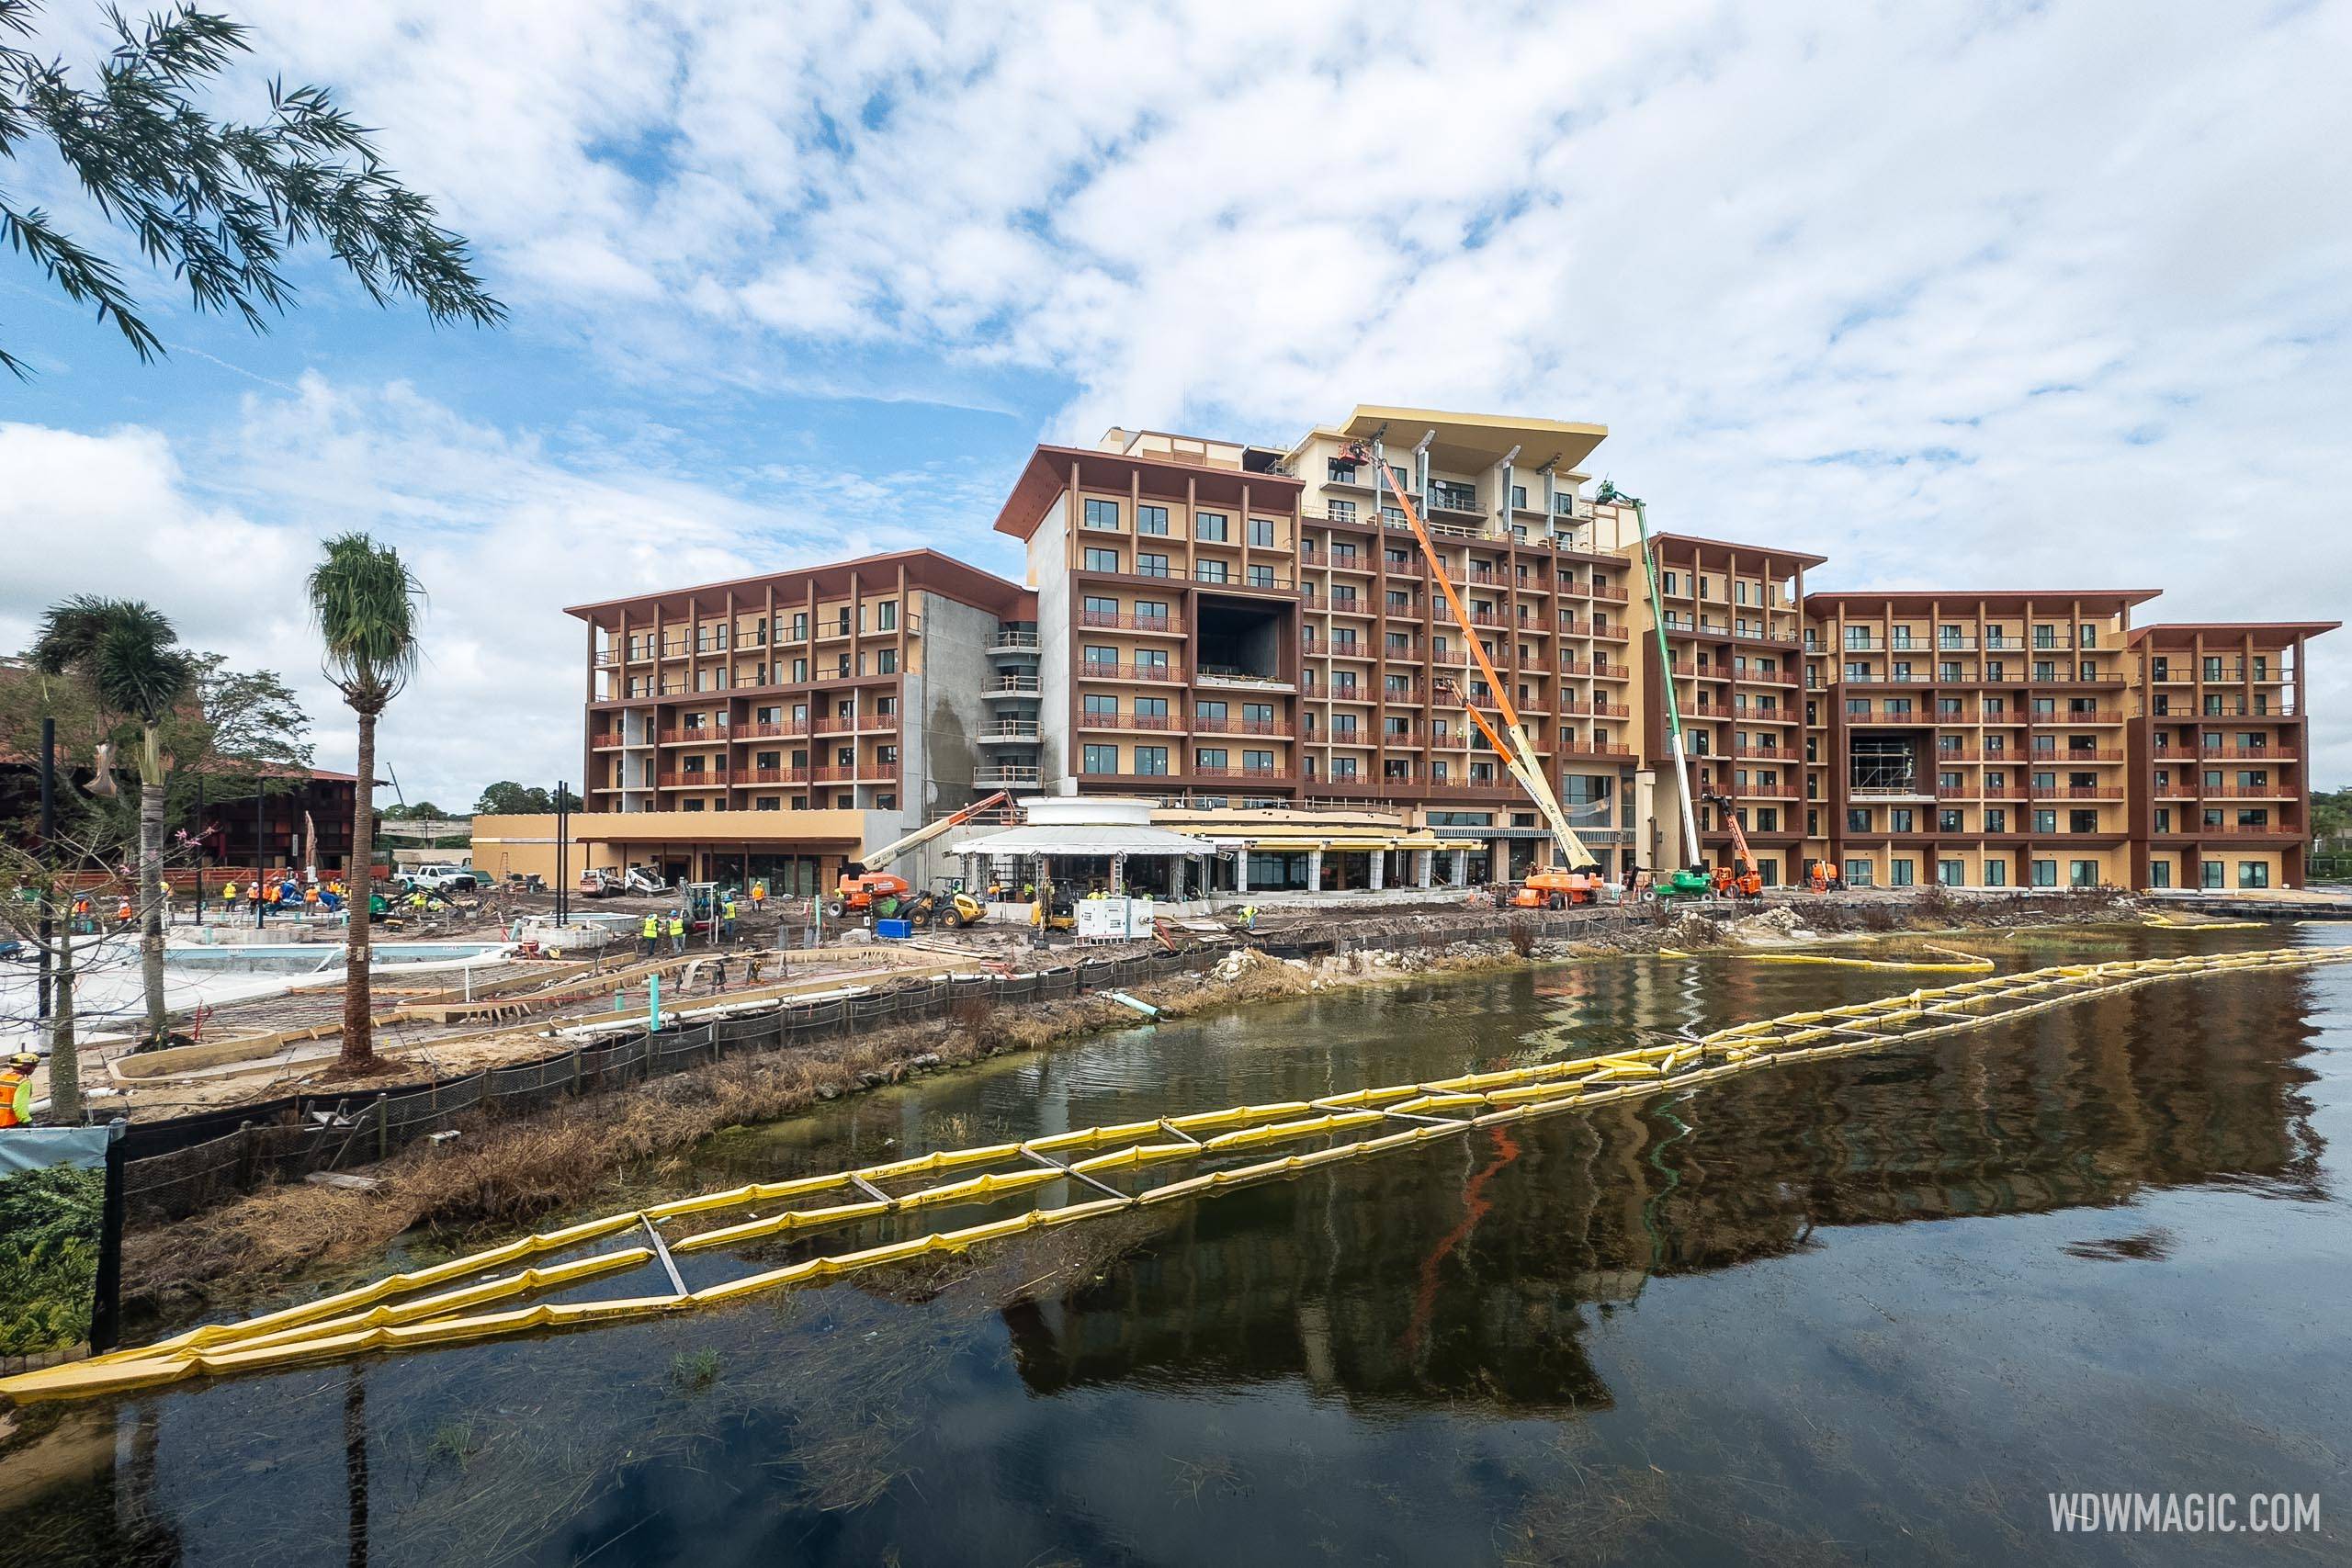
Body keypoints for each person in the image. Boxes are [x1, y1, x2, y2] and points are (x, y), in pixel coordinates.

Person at [0, 1054, 37, 1129]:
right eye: (34, 1066)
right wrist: (27, 1121)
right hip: (8, 1123)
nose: (34, 1069)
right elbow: (19, 1106)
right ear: (26, 1066)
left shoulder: (2, 1077)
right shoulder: (23, 1082)